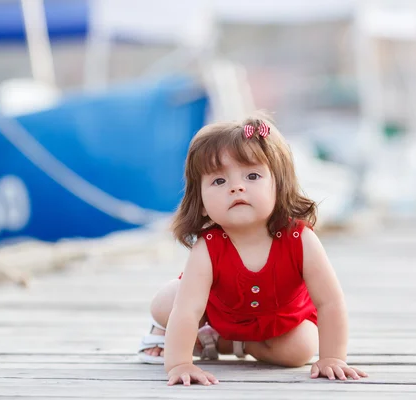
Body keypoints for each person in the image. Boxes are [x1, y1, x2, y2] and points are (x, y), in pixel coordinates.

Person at [137, 114, 368, 386]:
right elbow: (188, 309)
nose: (236, 186)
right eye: (219, 181)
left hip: (278, 323)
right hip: (218, 311)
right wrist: (179, 363)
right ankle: (176, 335)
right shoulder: (208, 246)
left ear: (279, 186)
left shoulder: (300, 239)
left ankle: (223, 344)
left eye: (252, 175)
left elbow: (330, 302)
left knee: (302, 348)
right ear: (199, 201)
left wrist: (333, 358)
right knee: (168, 303)